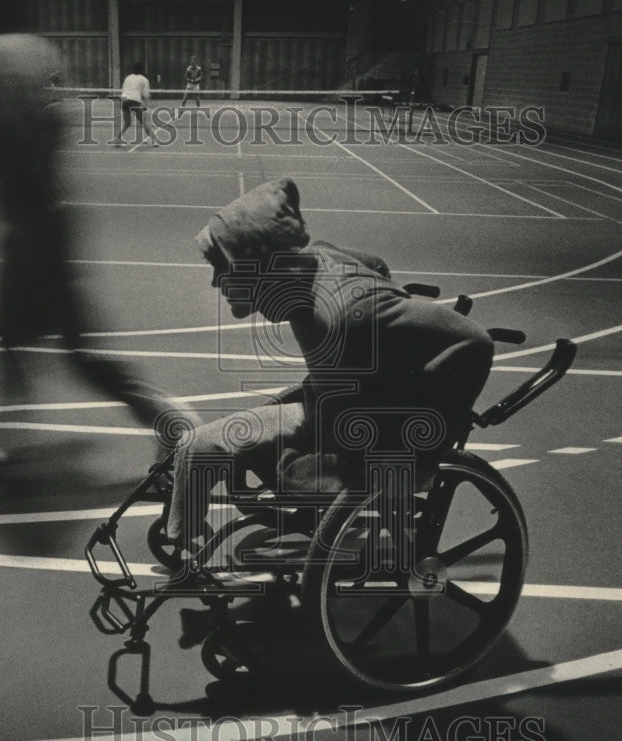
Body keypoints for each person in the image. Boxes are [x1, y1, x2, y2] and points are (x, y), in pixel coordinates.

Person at [0, 0, 199, 473]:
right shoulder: (37, 50)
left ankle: (14, 446)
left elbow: (17, 147)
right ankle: (161, 419)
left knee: (24, 340)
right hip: (51, 221)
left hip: (31, 229)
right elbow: (55, 123)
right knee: (58, 344)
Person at [165, 178, 493, 558]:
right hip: (325, 411)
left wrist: (421, 442)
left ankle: (182, 545)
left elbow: (474, 341)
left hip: (354, 437)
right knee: (197, 445)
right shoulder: (316, 261)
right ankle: (180, 535)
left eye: (223, 269)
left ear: (265, 268)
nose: (214, 282)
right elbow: (375, 263)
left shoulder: (344, 314)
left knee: (225, 449)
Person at [119, 62, 157, 147]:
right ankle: (154, 140)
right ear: (142, 70)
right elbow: (146, 95)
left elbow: (124, 90)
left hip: (124, 101)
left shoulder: (127, 78)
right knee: (144, 122)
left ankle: (117, 139)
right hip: (135, 101)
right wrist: (146, 106)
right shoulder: (144, 79)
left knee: (127, 123)